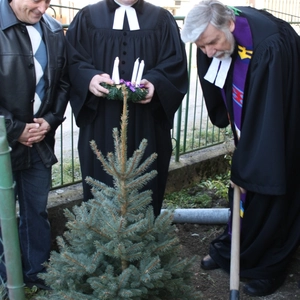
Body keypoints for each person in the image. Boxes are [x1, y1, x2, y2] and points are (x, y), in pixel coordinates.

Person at [181, 0, 300, 297]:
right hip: (250, 123)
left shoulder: (271, 45)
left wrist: (245, 167)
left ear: (230, 25)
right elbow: (217, 66)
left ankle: (268, 265)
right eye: (201, 47)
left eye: (211, 43)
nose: (208, 53)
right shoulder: (221, 35)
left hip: (279, 132)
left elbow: (270, 118)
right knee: (244, 190)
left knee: (267, 189)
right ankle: (233, 248)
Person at [65, 0, 188, 217]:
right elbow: (72, 60)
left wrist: (155, 83)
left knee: (147, 181)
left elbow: (175, 62)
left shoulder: (161, 19)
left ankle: (145, 240)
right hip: (101, 120)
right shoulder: (88, 17)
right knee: (99, 179)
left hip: (147, 121)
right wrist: (89, 78)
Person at [0, 0, 69, 290]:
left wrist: (50, 120)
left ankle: (37, 276)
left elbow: (63, 82)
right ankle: (7, 281)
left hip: (40, 141)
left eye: (48, 1)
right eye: (36, 0)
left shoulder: (53, 29)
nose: (43, 8)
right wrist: (13, 129)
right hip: (3, 144)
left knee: (36, 211)